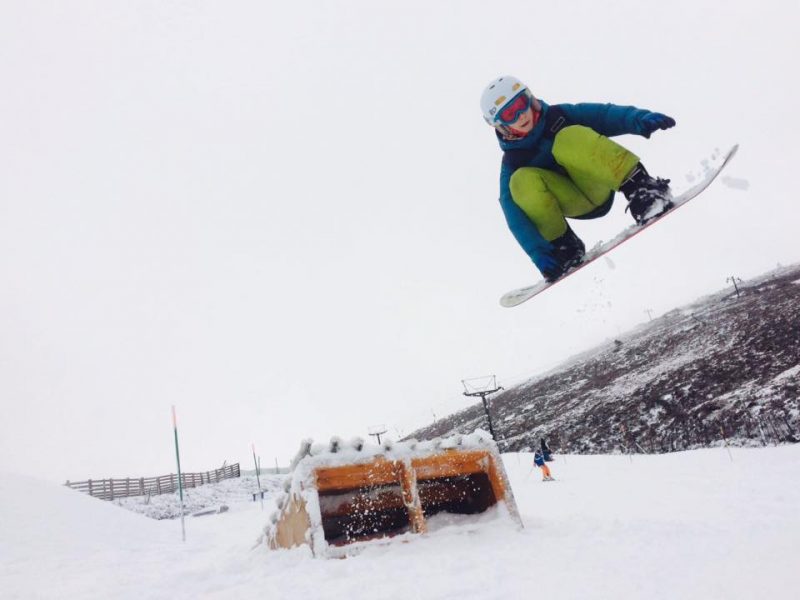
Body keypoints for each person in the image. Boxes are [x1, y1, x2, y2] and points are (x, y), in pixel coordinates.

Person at [480, 75, 676, 282]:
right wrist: (539, 253)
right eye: (510, 114)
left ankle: (642, 191)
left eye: (521, 104)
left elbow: (603, 115)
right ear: (500, 125)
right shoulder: (513, 163)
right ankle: (564, 248)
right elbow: (514, 216)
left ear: (529, 98)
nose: (521, 115)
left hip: (596, 183)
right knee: (519, 181)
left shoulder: (560, 117)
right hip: (574, 202)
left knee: (568, 136)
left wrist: (639, 119)